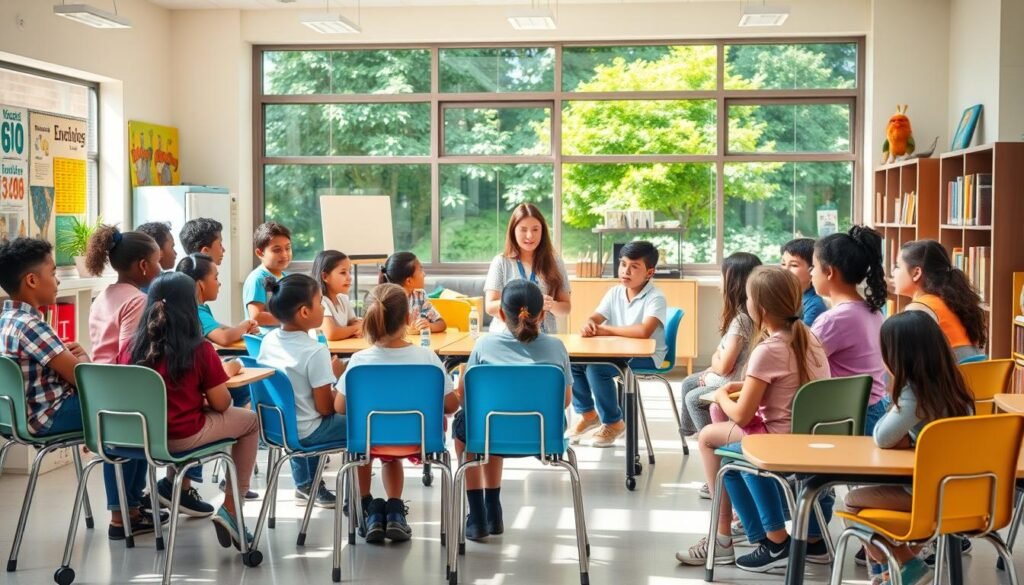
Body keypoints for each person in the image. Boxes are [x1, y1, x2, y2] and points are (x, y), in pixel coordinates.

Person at [677, 266, 831, 570]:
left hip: (777, 441)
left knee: (710, 440)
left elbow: (743, 413)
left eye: (748, 298)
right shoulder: (809, 338)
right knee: (727, 444)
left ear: (759, 307)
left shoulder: (769, 349)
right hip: (811, 437)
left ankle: (759, 541)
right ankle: (809, 541)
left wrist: (721, 395)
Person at [119, 272, 260, 550]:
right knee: (250, 422)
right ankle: (232, 509)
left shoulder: (130, 348)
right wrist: (221, 375)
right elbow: (222, 405)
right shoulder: (199, 349)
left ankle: (174, 487)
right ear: (189, 307)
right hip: (181, 436)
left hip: (140, 436)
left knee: (198, 415)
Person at [841, 311, 975, 585]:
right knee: (874, 509)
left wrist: (903, 424)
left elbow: (881, 436)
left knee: (852, 504)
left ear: (899, 357)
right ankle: (893, 572)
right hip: (962, 491)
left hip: (929, 494)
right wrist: (914, 440)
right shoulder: (955, 386)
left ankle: (905, 562)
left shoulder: (915, 393)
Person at [334, 283, 459, 543]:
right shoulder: (427, 358)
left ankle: (366, 508)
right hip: (420, 441)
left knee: (364, 443)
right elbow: (450, 406)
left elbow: (340, 408)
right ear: (407, 318)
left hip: (369, 440)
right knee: (392, 452)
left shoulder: (358, 361)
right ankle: (394, 510)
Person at [452, 280, 572, 541]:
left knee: (474, 426)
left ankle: (479, 515)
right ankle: (493, 507)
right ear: (543, 314)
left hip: (490, 433)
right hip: (543, 437)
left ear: (502, 314)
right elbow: (564, 401)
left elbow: (464, 396)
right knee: (491, 422)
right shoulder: (557, 348)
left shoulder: (484, 346)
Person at [85, 225, 168, 538]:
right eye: (158, 262)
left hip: (102, 390)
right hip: (123, 386)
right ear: (144, 266)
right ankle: (123, 515)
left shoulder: (105, 295)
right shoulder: (136, 300)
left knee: (118, 444)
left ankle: (129, 510)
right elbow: (129, 352)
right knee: (138, 438)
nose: (161, 268)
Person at [257, 274, 347, 509]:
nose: (323, 306)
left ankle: (306, 484)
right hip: (308, 431)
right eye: (320, 302)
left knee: (302, 412)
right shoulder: (315, 352)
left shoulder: (268, 340)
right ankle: (363, 500)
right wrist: (338, 377)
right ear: (304, 312)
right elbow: (325, 409)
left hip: (277, 426)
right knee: (364, 423)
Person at [570, 241, 667, 448]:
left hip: (646, 357)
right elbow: (595, 317)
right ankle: (588, 414)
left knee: (597, 370)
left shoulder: (656, 297)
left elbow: (643, 332)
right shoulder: (615, 292)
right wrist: (589, 324)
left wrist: (605, 330)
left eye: (634, 267)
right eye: (623, 264)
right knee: (573, 364)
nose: (626, 271)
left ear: (649, 272)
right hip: (618, 353)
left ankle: (614, 422)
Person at [0, 238, 90, 437]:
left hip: (12, 417)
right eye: (53, 273)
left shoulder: (6, 320)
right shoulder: (32, 326)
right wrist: (83, 357)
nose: (58, 281)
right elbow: (82, 378)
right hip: (48, 416)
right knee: (125, 406)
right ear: (32, 280)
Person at [811, 226, 889, 434]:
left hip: (847, 419)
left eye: (814, 267)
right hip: (875, 412)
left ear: (829, 272)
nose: (811, 273)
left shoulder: (834, 320)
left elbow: (802, 363)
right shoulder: (873, 311)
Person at [679, 252, 761, 451]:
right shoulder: (746, 314)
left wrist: (714, 361)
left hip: (731, 380)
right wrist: (713, 365)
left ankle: (713, 444)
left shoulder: (741, 320)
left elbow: (724, 365)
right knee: (689, 382)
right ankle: (691, 431)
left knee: (694, 399)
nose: (720, 280)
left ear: (734, 281)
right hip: (732, 375)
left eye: (722, 275)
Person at [892, 239, 986, 361]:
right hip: (969, 376)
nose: (893, 272)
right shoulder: (950, 302)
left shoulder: (918, 310)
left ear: (916, 273)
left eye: (898, 266)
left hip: (948, 376)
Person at [484, 203, 570, 334]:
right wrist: (519, 301)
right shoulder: (501, 262)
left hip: (543, 338)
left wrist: (550, 305)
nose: (530, 236)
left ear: (543, 231)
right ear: (513, 230)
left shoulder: (555, 261)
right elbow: (490, 307)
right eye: (523, 230)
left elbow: (566, 308)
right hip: (506, 337)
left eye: (535, 229)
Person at [177, 253, 259, 347]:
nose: (219, 283)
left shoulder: (196, 309)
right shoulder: (197, 312)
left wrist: (243, 330)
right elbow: (223, 338)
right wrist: (245, 326)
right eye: (215, 278)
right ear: (201, 285)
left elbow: (219, 327)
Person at [378, 251, 446, 334]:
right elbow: (380, 329)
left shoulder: (419, 295)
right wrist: (404, 331)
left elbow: (442, 324)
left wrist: (429, 326)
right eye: (421, 270)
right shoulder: (386, 300)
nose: (424, 274)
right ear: (409, 281)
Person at [242, 221, 292, 330]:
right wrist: (292, 319)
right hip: (264, 341)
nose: (284, 254)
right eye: (277, 250)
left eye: (287, 248)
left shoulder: (285, 277)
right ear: (260, 253)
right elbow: (257, 316)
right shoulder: (257, 278)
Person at [312, 250, 362, 341]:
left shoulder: (343, 298)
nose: (349, 277)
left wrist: (354, 327)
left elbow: (354, 322)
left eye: (349, 272)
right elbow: (331, 333)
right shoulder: (320, 301)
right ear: (325, 277)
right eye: (343, 273)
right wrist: (357, 328)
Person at [780, 237, 826, 326]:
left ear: (812, 269)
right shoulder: (788, 296)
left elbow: (801, 338)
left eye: (794, 265)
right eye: (783, 264)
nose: (785, 270)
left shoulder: (814, 305)